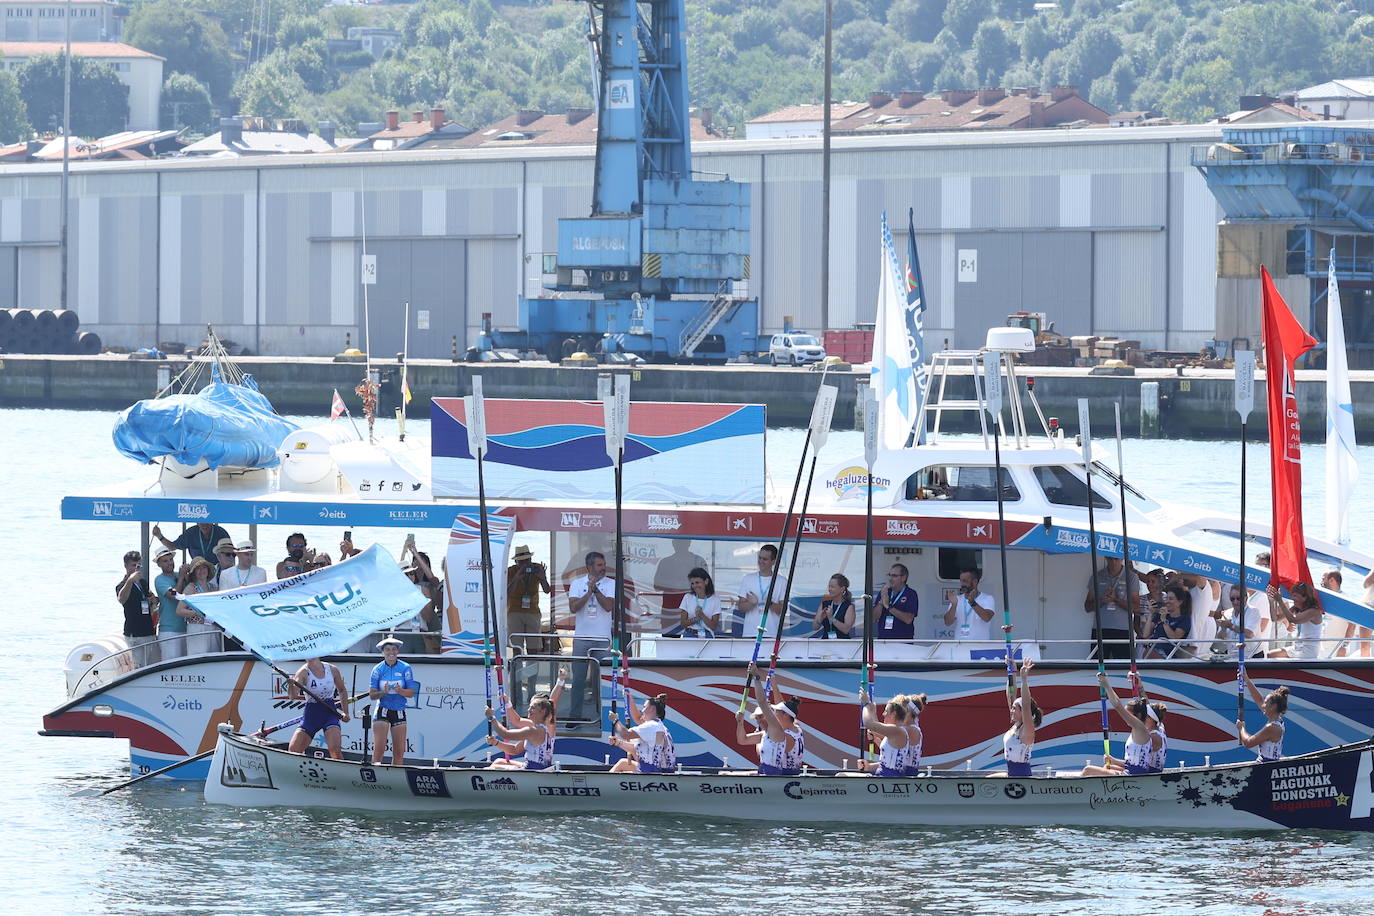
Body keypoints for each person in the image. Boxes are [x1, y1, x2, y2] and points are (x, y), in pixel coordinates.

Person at [1081, 672, 1168, 776]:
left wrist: (1106, 685)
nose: (1127, 717)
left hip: (1137, 776)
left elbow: (1118, 706)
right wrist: (1139, 686)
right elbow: (1147, 707)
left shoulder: (1140, 728)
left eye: (1129, 714)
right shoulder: (1159, 727)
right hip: (1137, 772)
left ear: (1140, 716)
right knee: (1108, 767)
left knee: (1088, 770)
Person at [734, 661, 804, 775]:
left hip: (781, 776)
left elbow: (762, 702)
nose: (773, 714)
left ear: (785, 715)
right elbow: (742, 740)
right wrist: (740, 722)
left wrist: (756, 677)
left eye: (776, 712)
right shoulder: (795, 725)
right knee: (727, 774)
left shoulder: (779, 732)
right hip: (777, 772)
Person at [568, 551, 616, 718]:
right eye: (599, 565)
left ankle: (601, 717)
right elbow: (573, 608)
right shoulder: (576, 583)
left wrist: (595, 591)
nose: (604, 568)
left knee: (601, 681)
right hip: (581, 639)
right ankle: (575, 717)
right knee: (578, 680)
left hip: (602, 640)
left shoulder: (611, 584)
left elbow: (609, 606)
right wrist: (588, 593)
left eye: (604, 564)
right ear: (589, 567)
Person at [286, 657, 351, 759]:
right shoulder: (303, 672)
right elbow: (292, 696)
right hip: (311, 715)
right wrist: (290, 685)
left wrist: (346, 713)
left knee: (335, 752)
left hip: (329, 713)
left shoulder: (332, 669)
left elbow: (342, 690)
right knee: (293, 750)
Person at [370, 637, 418, 765]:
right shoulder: (377, 669)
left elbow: (411, 693)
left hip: (399, 710)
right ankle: (375, 777)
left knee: (399, 752)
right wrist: (383, 692)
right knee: (379, 750)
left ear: (398, 651)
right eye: (387, 650)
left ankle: (395, 777)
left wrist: (400, 691)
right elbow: (372, 695)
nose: (391, 652)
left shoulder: (405, 668)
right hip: (382, 710)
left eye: (394, 649)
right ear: (383, 652)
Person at [1083, 557, 1138, 659]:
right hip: (1100, 629)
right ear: (1105, 558)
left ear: (1122, 559)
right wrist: (1102, 601)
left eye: (1116, 559)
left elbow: (1136, 607)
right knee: (1097, 667)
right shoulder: (1098, 576)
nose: (1113, 562)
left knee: (1123, 667)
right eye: (1110, 559)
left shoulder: (1131, 577)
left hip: (1123, 630)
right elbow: (1087, 607)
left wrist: (1116, 599)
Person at [610, 692, 676, 773]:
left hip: (655, 774)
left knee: (623, 764)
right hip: (661, 771)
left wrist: (615, 720)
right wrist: (618, 743)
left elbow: (625, 734)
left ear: (652, 708)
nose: (642, 710)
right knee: (623, 763)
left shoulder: (651, 726)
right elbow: (635, 749)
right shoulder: (658, 726)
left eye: (644, 707)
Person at [484, 696, 557, 770]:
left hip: (532, 771)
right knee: (498, 761)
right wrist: (496, 742)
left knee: (491, 768)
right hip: (540, 768)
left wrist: (491, 717)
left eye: (532, 708)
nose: (528, 710)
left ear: (543, 711)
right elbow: (515, 749)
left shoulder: (533, 731)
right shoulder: (546, 729)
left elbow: (505, 734)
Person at [117, 549, 159, 668]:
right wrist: (130, 581)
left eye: (138, 565)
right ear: (125, 566)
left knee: (153, 665)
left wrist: (154, 600)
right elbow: (121, 599)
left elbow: (151, 598)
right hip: (134, 633)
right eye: (133, 565)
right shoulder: (122, 585)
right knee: (139, 666)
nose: (136, 568)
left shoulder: (143, 583)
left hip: (148, 630)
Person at [506, 545, 552, 654]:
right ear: (516, 562)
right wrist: (516, 578)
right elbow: (507, 593)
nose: (525, 564)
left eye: (527, 560)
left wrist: (543, 577)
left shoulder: (537, 568)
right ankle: (517, 670)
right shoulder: (511, 571)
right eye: (522, 561)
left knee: (533, 648)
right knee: (517, 647)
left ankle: (533, 671)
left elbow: (547, 590)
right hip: (514, 612)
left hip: (533, 611)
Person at [736, 545, 788, 639]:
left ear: (773, 561)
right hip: (750, 633)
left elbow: (783, 610)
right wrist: (751, 603)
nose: (761, 561)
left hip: (771, 634)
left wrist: (770, 603)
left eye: (765, 559)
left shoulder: (782, 581)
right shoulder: (748, 579)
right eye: (759, 558)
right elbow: (740, 607)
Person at [1237, 673, 1289, 762]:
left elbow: (1248, 743)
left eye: (1266, 703)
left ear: (1273, 706)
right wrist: (1246, 679)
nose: (1263, 705)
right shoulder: (1278, 720)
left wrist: (1241, 728)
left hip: (1266, 766)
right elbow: (1259, 699)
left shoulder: (1272, 728)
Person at [858, 688, 910, 777]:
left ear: (893, 714)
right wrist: (869, 766)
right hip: (885, 777)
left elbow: (869, 724)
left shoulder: (896, 730)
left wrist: (866, 705)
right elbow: (874, 727)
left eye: (886, 711)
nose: (883, 714)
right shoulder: (895, 732)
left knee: (841, 775)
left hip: (886, 779)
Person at [1004, 659, 1040, 777]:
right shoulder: (1016, 725)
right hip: (1010, 775)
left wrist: (1024, 679)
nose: (1011, 710)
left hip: (1022, 779)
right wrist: (1012, 671)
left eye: (1015, 708)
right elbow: (1011, 694)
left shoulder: (1027, 729)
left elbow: (1025, 705)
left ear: (1023, 712)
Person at [177, 556, 219, 655]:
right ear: (194, 573)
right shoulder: (190, 588)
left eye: (204, 567)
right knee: (199, 657)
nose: (201, 571)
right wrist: (197, 613)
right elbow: (179, 611)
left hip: (213, 627)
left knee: (215, 658)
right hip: (197, 628)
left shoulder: (214, 588)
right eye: (198, 569)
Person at [1273, 580, 1324, 660]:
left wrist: (1280, 601)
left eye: (1295, 596)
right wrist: (1271, 601)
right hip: (1299, 646)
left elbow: (1293, 620)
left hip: (1310, 650)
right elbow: (1275, 618)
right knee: (1270, 655)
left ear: (1305, 597)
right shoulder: (1297, 608)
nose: (1292, 598)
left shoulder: (1314, 611)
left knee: (1284, 660)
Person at [942, 567, 996, 641]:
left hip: (980, 646)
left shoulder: (987, 598)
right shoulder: (957, 599)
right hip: (960, 646)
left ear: (975, 582)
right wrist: (954, 605)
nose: (961, 584)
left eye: (964, 581)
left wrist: (972, 602)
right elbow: (947, 622)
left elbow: (987, 618)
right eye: (961, 581)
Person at [152, 545, 186, 660]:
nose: (170, 563)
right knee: (172, 667)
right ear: (159, 564)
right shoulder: (160, 579)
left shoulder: (179, 575)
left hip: (186, 628)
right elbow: (174, 596)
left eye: (171, 559)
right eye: (165, 561)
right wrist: (182, 577)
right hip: (169, 631)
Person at [653, 540, 708, 607]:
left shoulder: (699, 561)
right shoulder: (665, 562)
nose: (681, 544)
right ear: (673, 543)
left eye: (683, 542)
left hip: (693, 605)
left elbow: (706, 584)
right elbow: (656, 586)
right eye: (678, 542)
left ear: (689, 543)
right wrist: (675, 587)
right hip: (670, 606)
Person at [1142, 586, 1191, 659]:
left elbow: (1175, 637)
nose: (1167, 601)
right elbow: (1145, 634)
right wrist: (1151, 613)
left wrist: (1164, 621)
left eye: (1170, 599)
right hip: (1152, 651)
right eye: (1166, 598)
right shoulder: (1160, 615)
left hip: (1168, 656)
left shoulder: (1184, 618)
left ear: (1180, 602)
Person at [1214, 584, 1261, 659]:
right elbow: (1220, 638)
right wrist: (1223, 627)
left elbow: (1249, 634)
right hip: (1233, 656)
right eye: (1232, 599)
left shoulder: (1253, 611)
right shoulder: (1227, 613)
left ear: (1246, 598)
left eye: (1238, 598)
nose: (1235, 601)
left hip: (1252, 656)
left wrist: (1231, 626)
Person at [151, 521, 231, 564]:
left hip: (218, 569)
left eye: (207, 522)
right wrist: (159, 536)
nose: (204, 525)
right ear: (197, 522)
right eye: (201, 522)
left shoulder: (221, 532)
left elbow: (230, 553)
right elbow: (172, 547)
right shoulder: (191, 533)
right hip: (198, 570)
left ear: (212, 521)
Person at [1321, 569, 1359, 657]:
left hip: (1337, 650)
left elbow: (1352, 625)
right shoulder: (1326, 598)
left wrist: (1344, 646)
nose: (1321, 582)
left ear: (1331, 580)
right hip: (1323, 648)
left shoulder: (1345, 600)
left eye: (1323, 579)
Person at [873, 563, 917, 639]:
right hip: (884, 640)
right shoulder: (885, 592)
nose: (890, 578)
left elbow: (908, 619)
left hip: (903, 641)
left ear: (903, 578)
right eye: (889, 575)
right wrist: (881, 603)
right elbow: (874, 618)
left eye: (894, 576)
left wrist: (889, 607)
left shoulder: (910, 594)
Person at [679, 567, 722, 638]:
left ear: (706, 581)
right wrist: (696, 619)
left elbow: (713, 626)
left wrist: (702, 615)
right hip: (690, 634)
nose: (695, 586)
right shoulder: (687, 597)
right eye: (692, 583)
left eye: (697, 582)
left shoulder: (715, 599)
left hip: (707, 635)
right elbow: (683, 623)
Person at [811, 573, 855, 639]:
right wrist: (819, 620)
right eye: (829, 586)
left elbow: (846, 630)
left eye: (833, 587)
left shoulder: (848, 606)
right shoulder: (824, 604)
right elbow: (814, 627)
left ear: (842, 589)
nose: (829, 589)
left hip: (843, 643)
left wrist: (831, 618)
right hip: (826, 643)